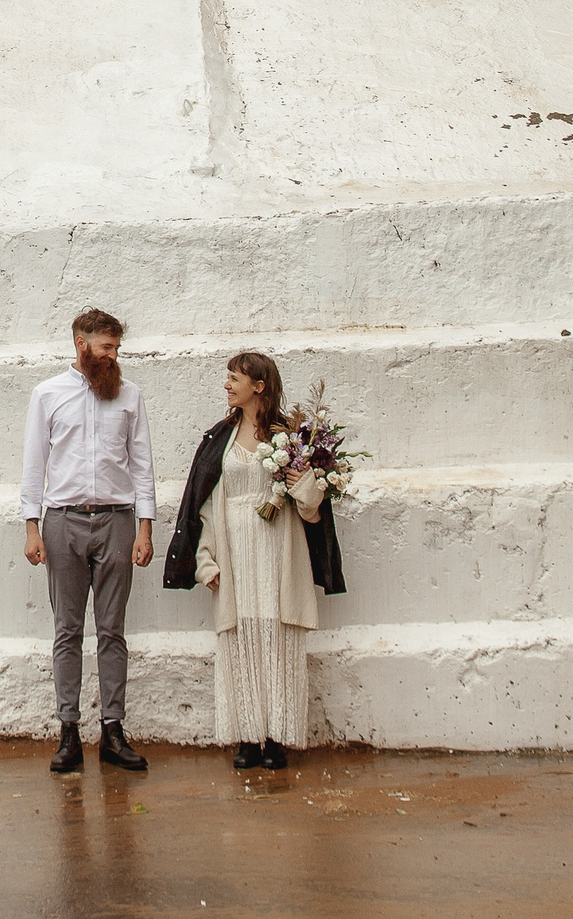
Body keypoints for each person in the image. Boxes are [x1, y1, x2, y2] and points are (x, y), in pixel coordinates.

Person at [161, 350, 340, 771]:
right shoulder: (218, 439)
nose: (226, 384)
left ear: (259, 387)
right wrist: (205, 561)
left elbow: (313, 511)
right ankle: (247, 736)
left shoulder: (290, 438)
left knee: (278, 637)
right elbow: (205, 506)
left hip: (279, 547)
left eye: (234, 378)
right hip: (235, 549)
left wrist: (305, 484)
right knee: (241, 638)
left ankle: (277, 737)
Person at [20, 307, 157, 774]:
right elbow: (34, 462)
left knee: (113, 629)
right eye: (106, 347)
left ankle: (113, 730)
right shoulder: (48, 394)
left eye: (116, 347)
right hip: (63, 521)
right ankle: (68, 732)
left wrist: (145, 527)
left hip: (117, 521)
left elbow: (142, 463)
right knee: (67, 630)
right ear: (82, 344)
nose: (113, 355)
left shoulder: (130, 395)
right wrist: (31, 526)